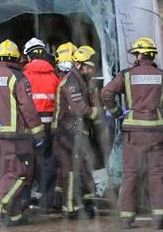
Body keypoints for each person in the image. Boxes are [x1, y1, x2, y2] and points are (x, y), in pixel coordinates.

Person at [102, 37, 163, 230]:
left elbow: (106, 93)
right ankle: (159, 217)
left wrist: (117, 113)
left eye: (135, 55)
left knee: (131, 173)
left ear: (140, 55)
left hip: (133, 133)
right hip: (157, 131)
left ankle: (126, 217)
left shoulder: (126, 75)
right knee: (157, 174)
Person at [0, 39, 44, 227]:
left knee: (4, 175)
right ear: (15, 58)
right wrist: (38, 132)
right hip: (15, 136)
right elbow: (27, 107)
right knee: (20, 172)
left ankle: (12, 216)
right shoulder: (17, 77)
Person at [52, 45, 102, 220]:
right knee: (74, 168)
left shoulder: (80, 80)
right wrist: (96, 113)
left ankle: (71, 207)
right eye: (88, 66)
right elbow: (79, 108)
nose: (90, 70)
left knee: (71, 170)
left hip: (71, 131)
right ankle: (73, 207)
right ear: (79, 65)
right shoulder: (71, 82)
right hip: (68, 132)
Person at [22, 37, 61, 212]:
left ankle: (25, 201)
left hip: (31, 125)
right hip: (50, 125)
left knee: (27, 162)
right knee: (48, 162)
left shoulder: (24, 77)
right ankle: (48, 201)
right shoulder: (54, 76)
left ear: (28, 56)